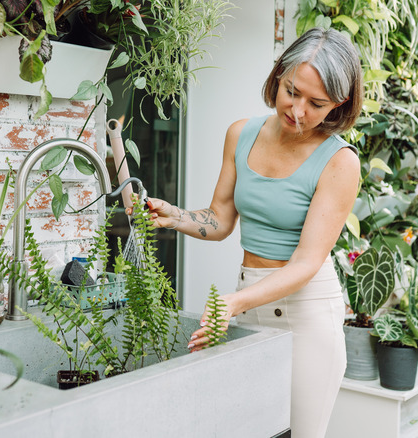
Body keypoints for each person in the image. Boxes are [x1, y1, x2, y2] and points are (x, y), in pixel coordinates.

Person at [141, 27, 363, 437]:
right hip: (248, 299)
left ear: (339, 103)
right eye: (291, 91)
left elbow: (307, 262)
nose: (298, 110)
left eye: (316, 104)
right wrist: (175, 216)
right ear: (278, 75)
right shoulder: (240, 134)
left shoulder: (340, 162)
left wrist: (234, 303)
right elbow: (221, 219)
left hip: (306, 313)